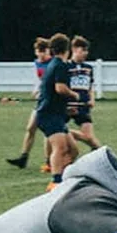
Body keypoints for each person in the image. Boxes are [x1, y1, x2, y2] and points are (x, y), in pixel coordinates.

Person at [36, 33, 80, 187]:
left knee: (73, 150)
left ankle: (64, 176)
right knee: (60, 148)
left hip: (55, 113)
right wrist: (74, 94)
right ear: (67, 49)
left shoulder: (53, 64)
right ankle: (55, 182)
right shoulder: (60, 65)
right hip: (48, 114)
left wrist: (66, 110)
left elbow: (52, 93)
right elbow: (60, 89)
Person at [5, 37, 52, 170]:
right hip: (41, 101)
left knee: (47, 131)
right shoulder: (37, 63)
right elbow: (40, 80)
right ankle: (23, 158)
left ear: (48, 51)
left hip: (50, 101)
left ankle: (49, 161)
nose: (40, 54)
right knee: (30, 128)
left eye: (43, 51)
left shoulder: (53, 63)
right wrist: (36, 90)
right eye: (38, 51)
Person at [67, 35, 101, 150]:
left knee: (88, 137)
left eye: (87, 50)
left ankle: (99, 153)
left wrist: (92, 99)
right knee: (54, 133)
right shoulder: (66, 66)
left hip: (84, 105)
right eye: (83, 50)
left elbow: (90, 86)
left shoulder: (88, 68)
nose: (86, 53)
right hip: (68, 106)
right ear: (74, 49)